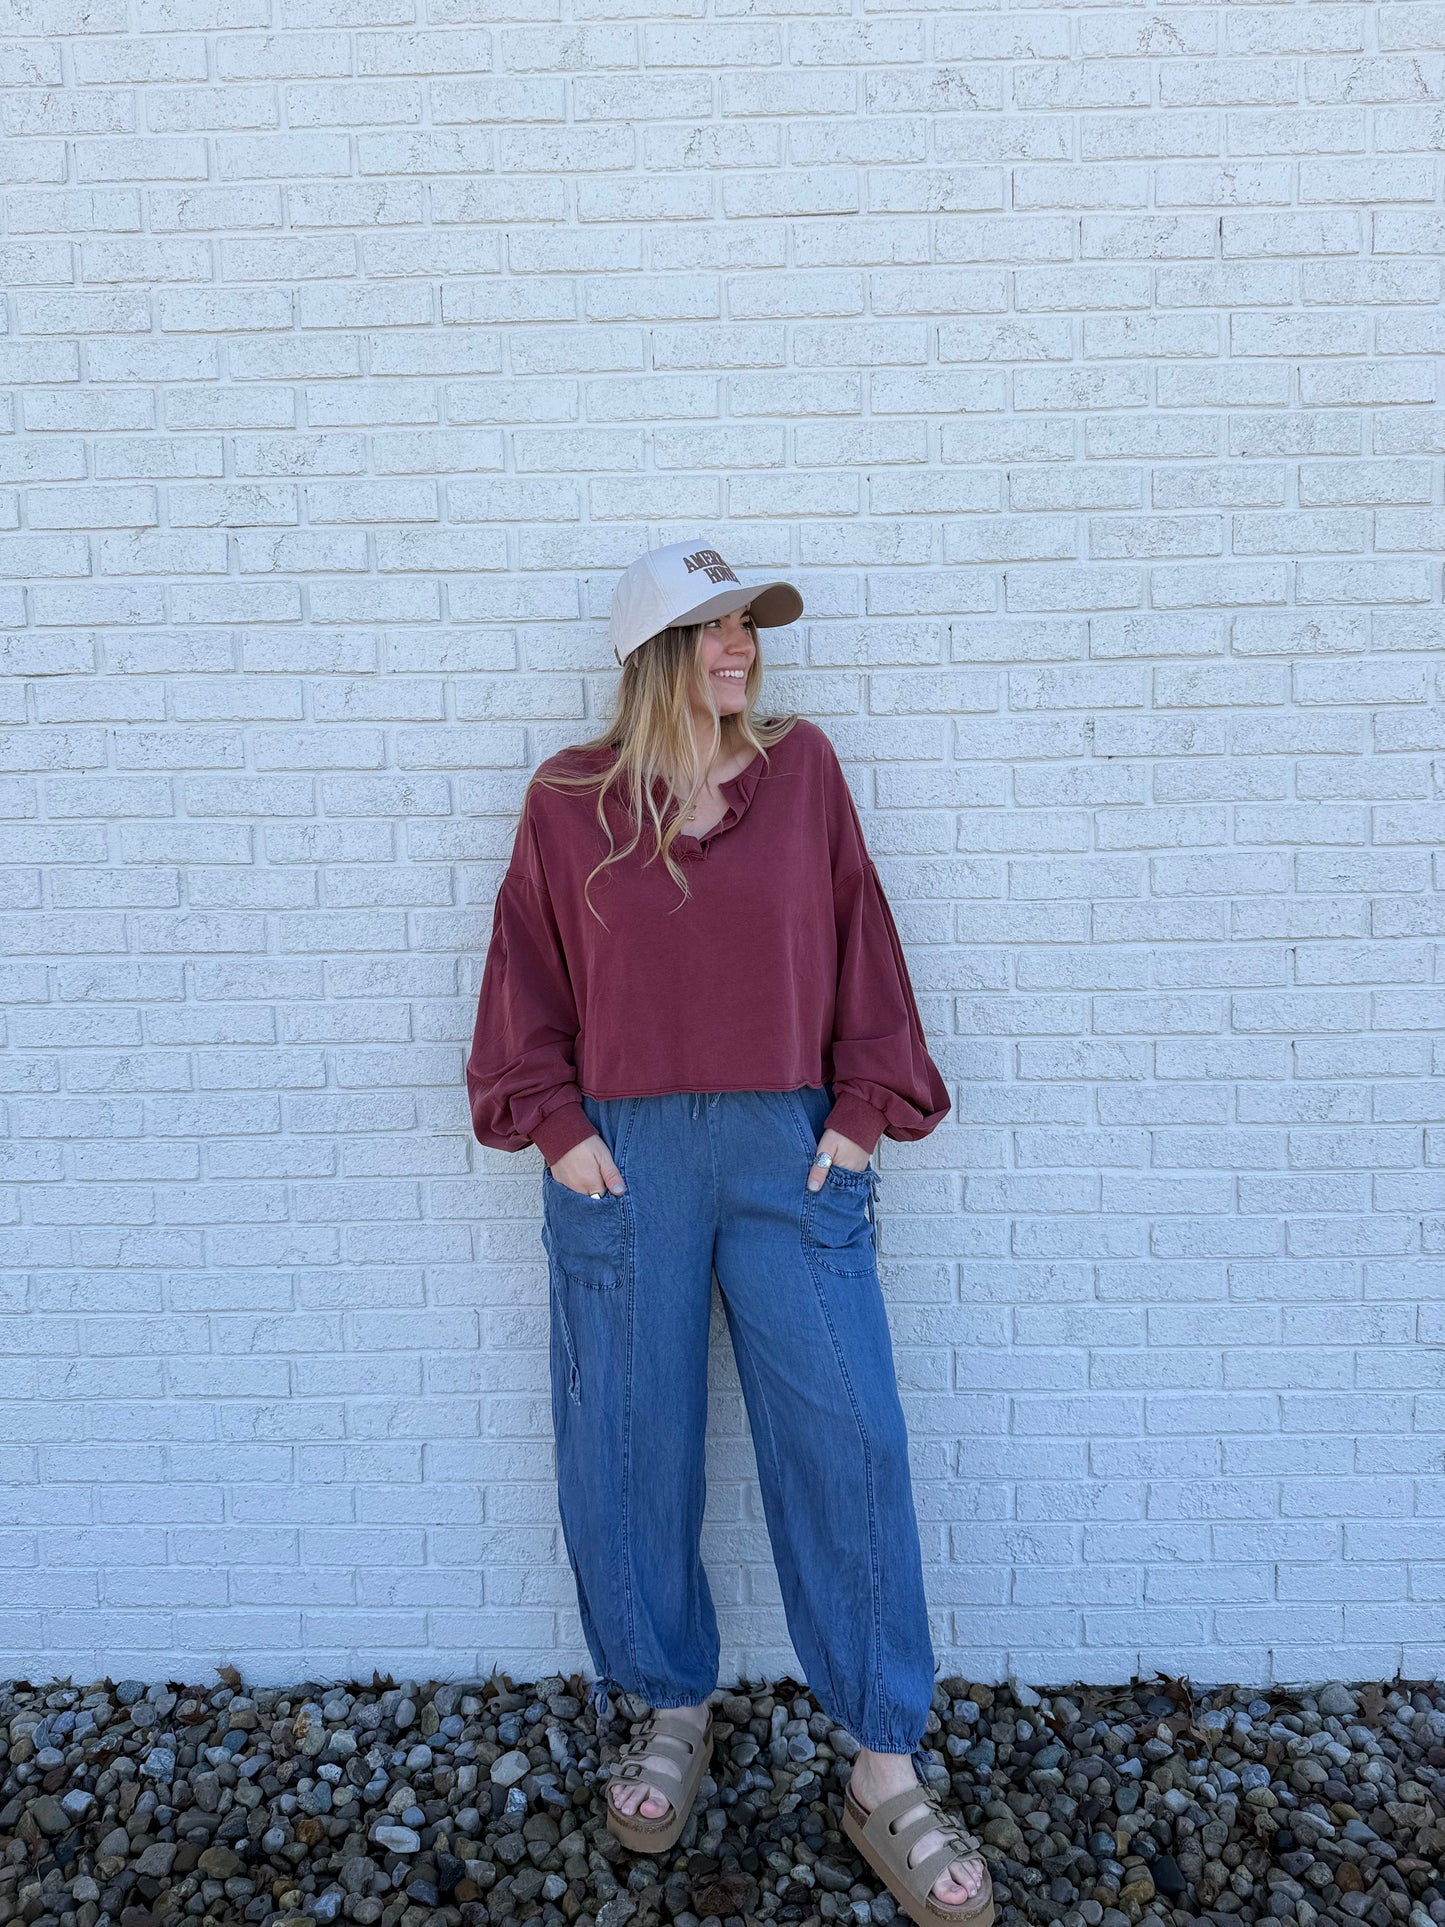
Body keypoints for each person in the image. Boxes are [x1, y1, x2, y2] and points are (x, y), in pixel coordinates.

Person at [465, 540, 992, 1926]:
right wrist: (562, 1130)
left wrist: (861, 1112)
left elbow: (861, 938)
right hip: (621, 1157)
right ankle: (667, 1705)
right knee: (626, 1442)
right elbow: (523, 974)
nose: (741, 646)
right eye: (710, 629)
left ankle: (883, 1764)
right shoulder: (568, 801)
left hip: (789, 1149)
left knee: (848, 1438)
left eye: (747, 625)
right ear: (652, 653)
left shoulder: (801, 774)